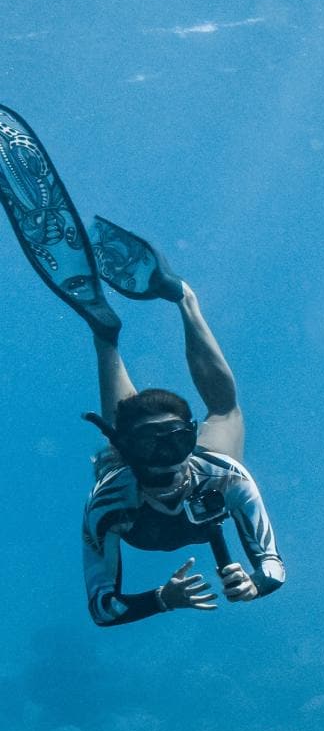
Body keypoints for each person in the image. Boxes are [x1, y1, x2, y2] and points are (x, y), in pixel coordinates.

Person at [0, 104, 284, 626]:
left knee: (219, 413)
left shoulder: (219, 476)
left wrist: (256, 581)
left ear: (188, 439)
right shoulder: (113, 503)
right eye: (152, 447)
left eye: (174, 442)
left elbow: (270, 566)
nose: (165, 462)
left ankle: (127, 325)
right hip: (124, 466)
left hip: (134, 465)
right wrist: (167, 598)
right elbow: (102, 610)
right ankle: (168, 304)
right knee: (224, 410)